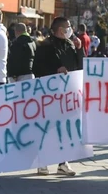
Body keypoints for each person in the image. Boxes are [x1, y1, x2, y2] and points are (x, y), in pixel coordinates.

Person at [32, 17, 81, 177]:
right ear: (60, 29)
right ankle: (43, 162)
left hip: (67, 95)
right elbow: (37, 69)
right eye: (68, 26)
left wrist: (80, 50)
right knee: (47, 128)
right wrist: (55, 70)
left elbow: (79, 67)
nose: (70, 29)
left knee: (65, 129)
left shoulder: (70, 45)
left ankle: (63, 162)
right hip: (49, 95)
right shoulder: (45, 46)